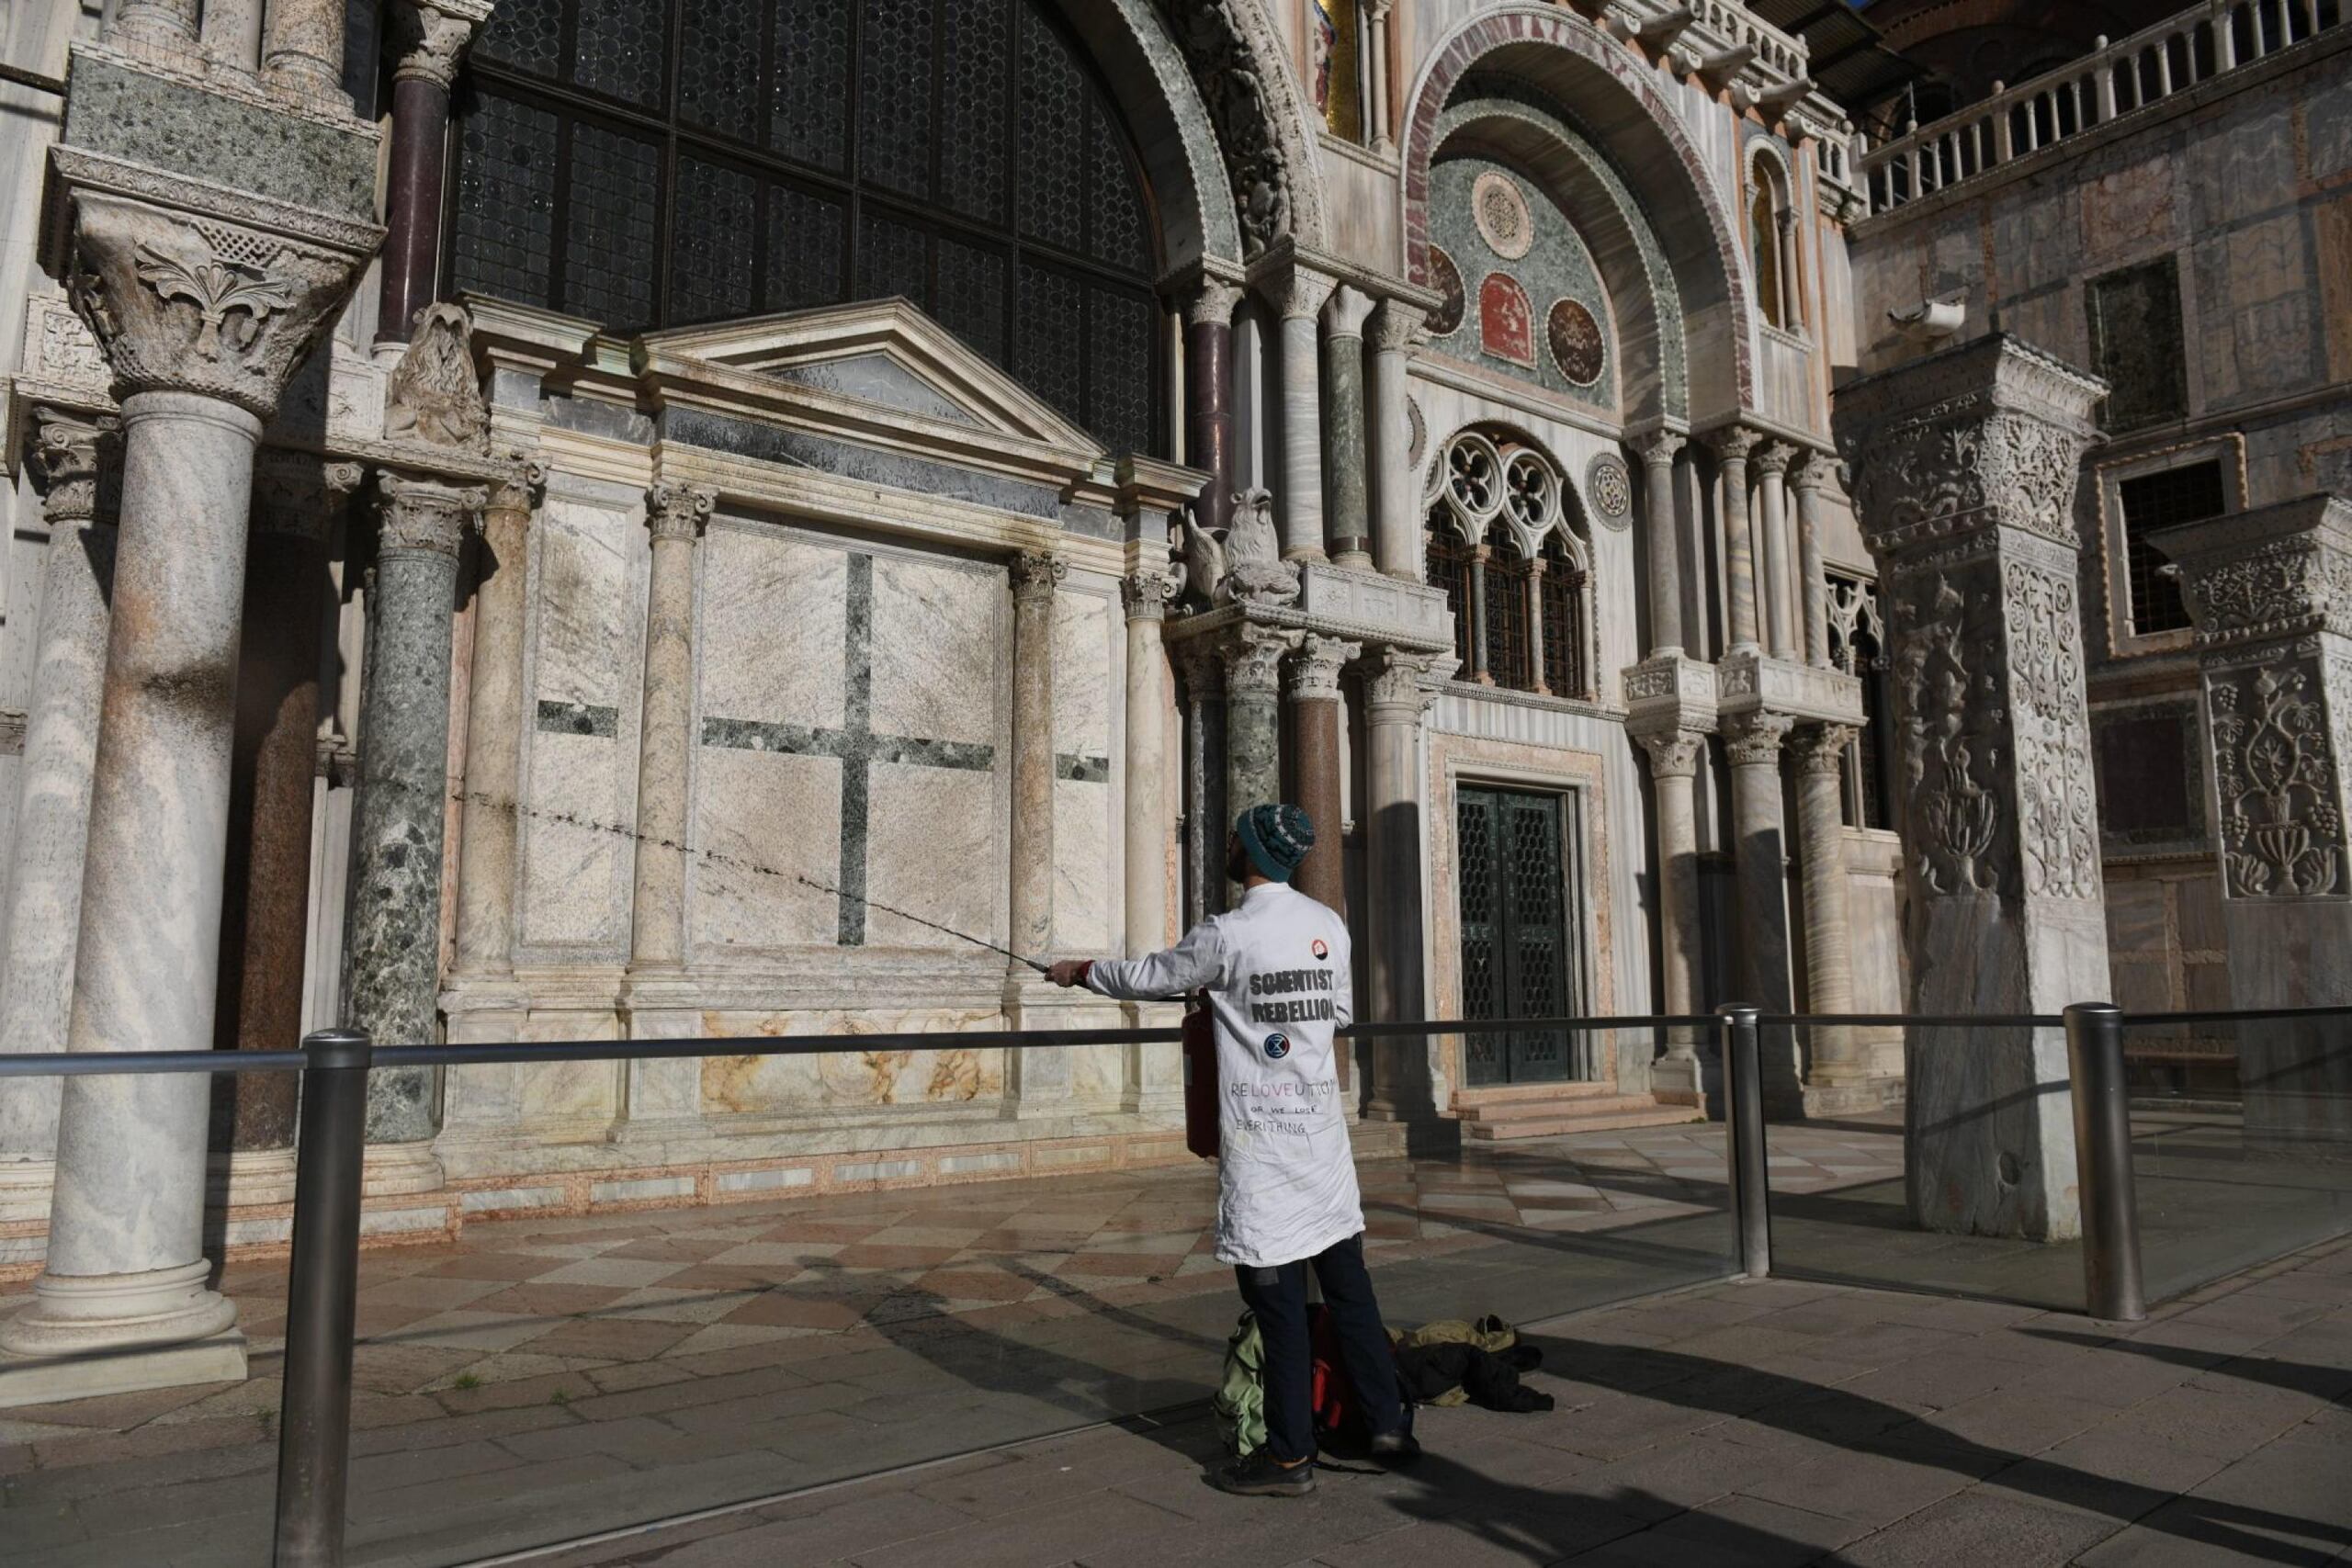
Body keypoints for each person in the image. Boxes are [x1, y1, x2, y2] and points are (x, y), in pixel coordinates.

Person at [1048, 803, 1418, 1496]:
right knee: (1351, 1293)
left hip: (1265, 1153)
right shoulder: (1327, 924)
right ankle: (1387, 1426)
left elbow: (1150, 976)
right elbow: (1338, 1013)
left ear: (1251, 853)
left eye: (1233, 838)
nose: (1226, 845)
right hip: (1322, 1149)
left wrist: (1079, 970)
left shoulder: (1227, 934)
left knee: (1280, 1313)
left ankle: (1289, 1459)